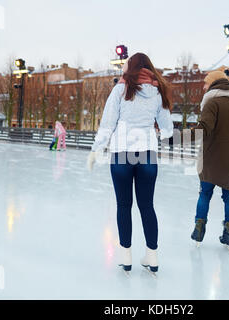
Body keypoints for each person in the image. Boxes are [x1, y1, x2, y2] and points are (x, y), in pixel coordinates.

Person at [87, 53, 173, 275]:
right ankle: (152, 256)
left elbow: (108, 123)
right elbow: (168, 130)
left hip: (121, 154)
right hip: (146, 154)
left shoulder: (120, 89)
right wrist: (154, 130)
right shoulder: (157, 91)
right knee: (147, 206)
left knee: (124, 205)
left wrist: (96, 150)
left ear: (130, 68)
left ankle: (126, 256)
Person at [191, 71, 229, 252]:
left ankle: (199, 231)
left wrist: (177, 137)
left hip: (211, 160)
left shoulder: (211, 103)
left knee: (204, 194)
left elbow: (203, 129)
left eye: (206, 83)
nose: (203, 87)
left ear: (214, 84)